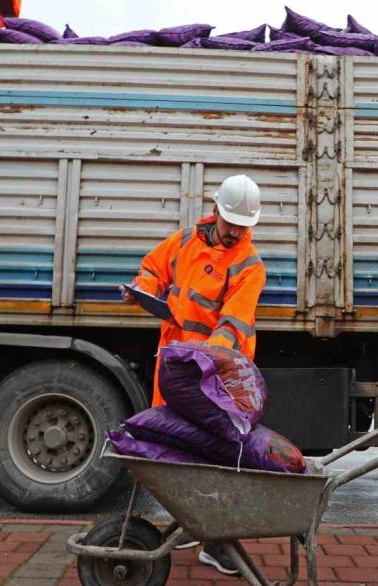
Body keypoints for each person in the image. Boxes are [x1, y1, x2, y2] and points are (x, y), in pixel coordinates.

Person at [122, 174, 267, 576]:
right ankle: (193, 522)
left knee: (216, 455)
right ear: (216, 211)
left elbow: (233, 322)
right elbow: (153, 269)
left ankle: (214, 540)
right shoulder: (185, 241)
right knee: (175, 449)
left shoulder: (249, 266)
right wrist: (141, 289)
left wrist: (205, 355)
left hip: (216, 376)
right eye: (231, 221)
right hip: (175, 367)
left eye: (244, 225)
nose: (236, 231)